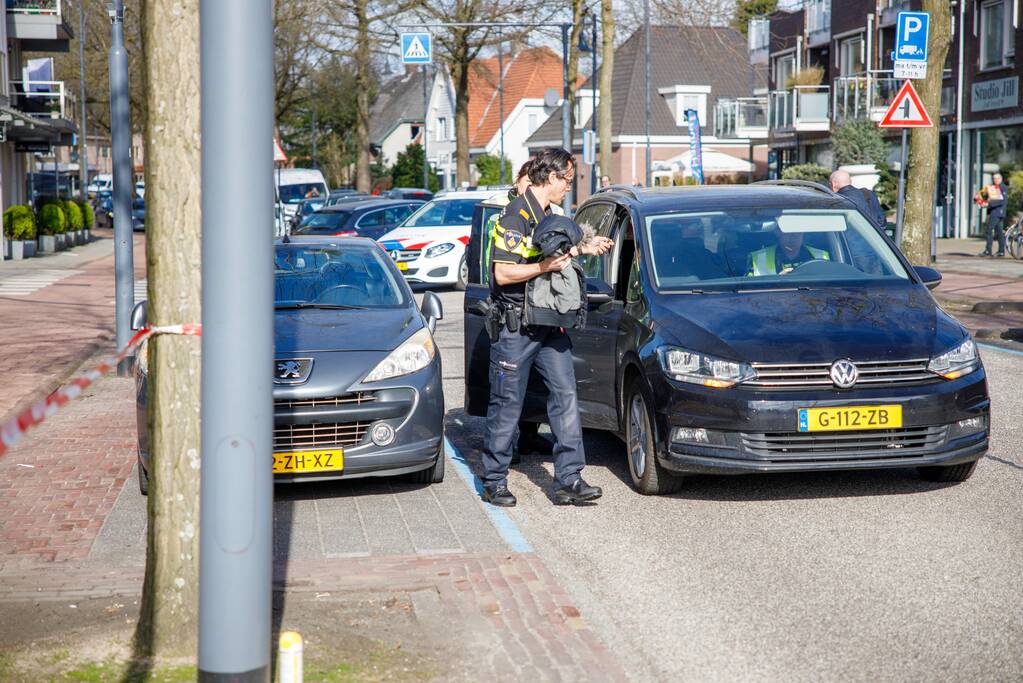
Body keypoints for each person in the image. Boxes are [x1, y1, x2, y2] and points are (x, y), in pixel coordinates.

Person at [481, 147, 613, 507]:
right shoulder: (514, 217)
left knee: (566, 396)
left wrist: (582, 248)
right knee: (507, 403)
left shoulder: (550, 214)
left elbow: (554, 248)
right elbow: (503, 273)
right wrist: (546, 268)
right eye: (567, 181)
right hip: (517, 326)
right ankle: (494, 479)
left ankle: (569, 478)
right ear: (551, 177)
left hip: (550, 324)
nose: (568, 188)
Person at [747, 224, 830, 276]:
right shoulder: (757, 258)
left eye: (797, 232)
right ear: (778, 232)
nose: (793, 236)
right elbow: (747, 291)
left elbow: (830, 287)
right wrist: (778, 282)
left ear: (803, 233)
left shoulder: (821, 256)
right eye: (788, 231)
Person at [980, 173, 1008, 257]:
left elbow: (1001, 201)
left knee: (989, 230)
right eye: (994, 178)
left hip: (997, 212)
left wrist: (988, 204)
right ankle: (1001, 251)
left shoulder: (1002, 187)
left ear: (1001, 179)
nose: (995, 180)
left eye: (997, 178)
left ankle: (988, 250)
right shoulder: (994, 187)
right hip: (996, 212)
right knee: (999, 232)